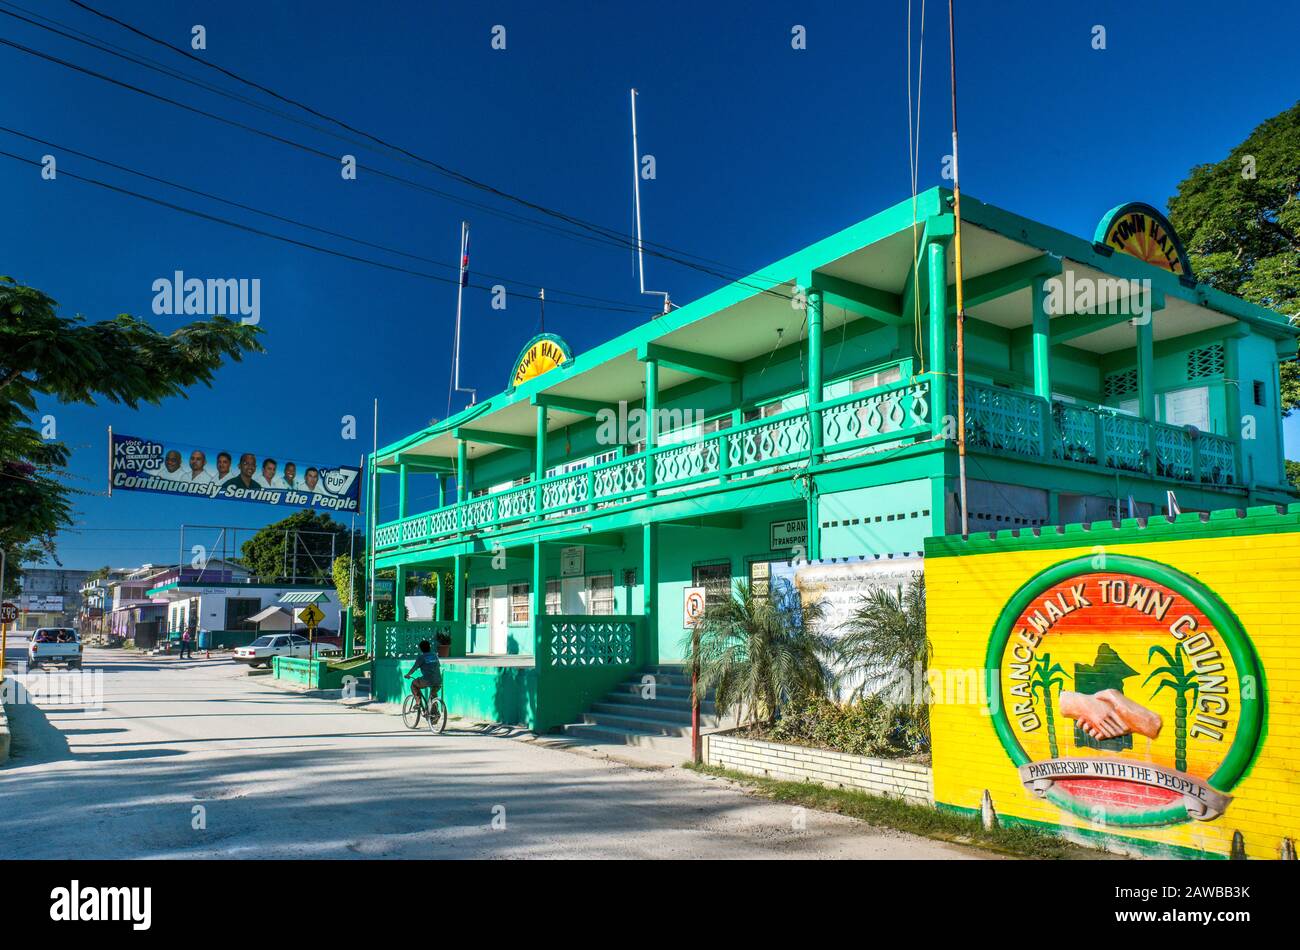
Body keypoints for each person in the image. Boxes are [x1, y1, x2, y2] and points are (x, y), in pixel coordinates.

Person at [404, 639, 442, 707]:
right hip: (438, 680)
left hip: (427, 680)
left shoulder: (421, 657)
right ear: (429, 647)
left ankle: (418, 702)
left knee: (414, 684)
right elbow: (438, 666)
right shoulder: (434, 655)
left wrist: (408, 675)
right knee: (433, 695)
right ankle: (434, 713)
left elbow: (414, 668)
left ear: (421, 649)